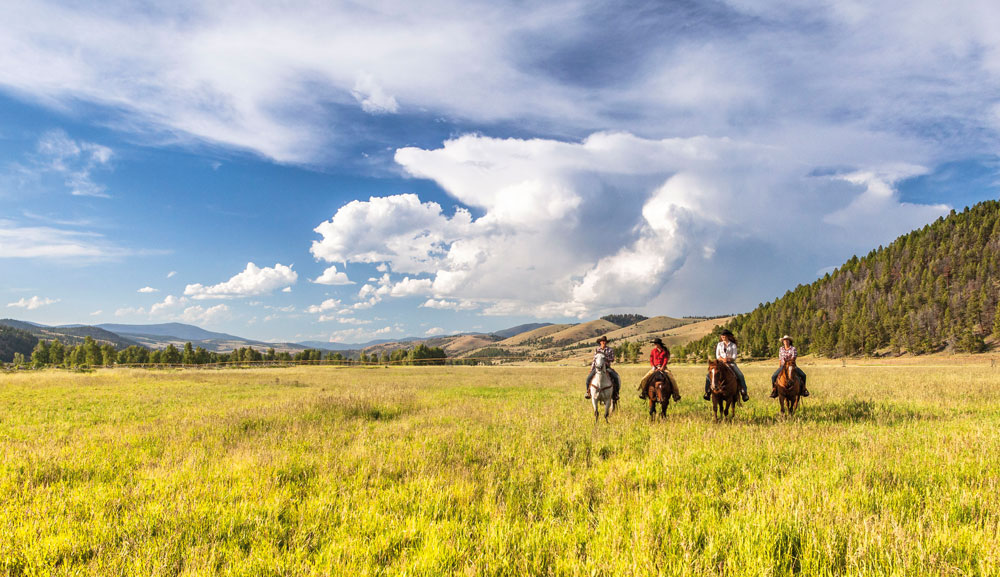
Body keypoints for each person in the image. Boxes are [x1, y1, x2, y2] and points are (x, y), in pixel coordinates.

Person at [703, 329, 749, 402]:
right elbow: (717, 355)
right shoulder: (719, 344)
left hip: (730, 363)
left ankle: (744, 392)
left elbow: (734, 356)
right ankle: (707, 392)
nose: (722, 337)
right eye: (722, 336)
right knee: (708, 376)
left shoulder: (733, 345)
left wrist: (728, 359)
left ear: (727, 336)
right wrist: (721, 359)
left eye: (724, 336)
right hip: (720, 364)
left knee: (740, 375)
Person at [585, 336, 621, 401]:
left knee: (616, 377)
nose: (603, 342)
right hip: (597, 367)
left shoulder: (610, 350)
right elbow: (594, 360)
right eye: (602, 341)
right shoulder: (597, 350)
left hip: (606, 367)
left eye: (604, 341)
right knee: (588, 378)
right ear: (600, 342)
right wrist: (591, 368)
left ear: (606, 342)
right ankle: (588, 392)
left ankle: (616, 393)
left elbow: (612, 359)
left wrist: (605, 358)